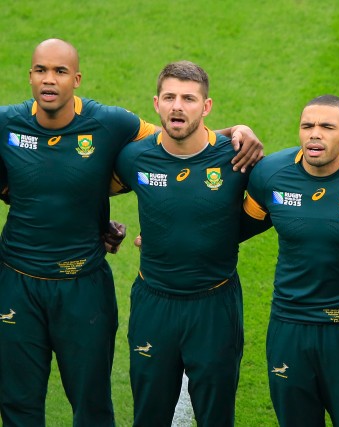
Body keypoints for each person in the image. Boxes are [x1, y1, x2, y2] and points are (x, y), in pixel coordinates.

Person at [0, 38, 262, 427]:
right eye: (41, 70)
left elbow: (176, 140)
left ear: (77, 79)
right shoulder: (5, 123)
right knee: (16, 402)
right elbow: (25, 187)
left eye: (59, 71)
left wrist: (235, 132)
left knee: (92, 403)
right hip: (17, 281)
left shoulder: (111, 123)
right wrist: (88, 219)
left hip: (85, 284)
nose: (49, 79)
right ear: (30, 75)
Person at [112, 60, 252, 427]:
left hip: (215, 306)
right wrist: (100, 227)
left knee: (216, 417)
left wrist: (213, 236)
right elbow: (85, 185)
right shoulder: (134, 157)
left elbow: (270, 211)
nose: (178, 106)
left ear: (206, 107)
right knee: (149, 416)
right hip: (153, 303)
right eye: (170, 97)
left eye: (189, 98)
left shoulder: (237, 158)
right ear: (156, 103)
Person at [240, 94, 339, 427]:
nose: (315, 134)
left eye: (327, 127)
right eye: (307, 125)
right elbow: (232, 229)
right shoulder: (271, 174)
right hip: (289, 326)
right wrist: (165, 243)